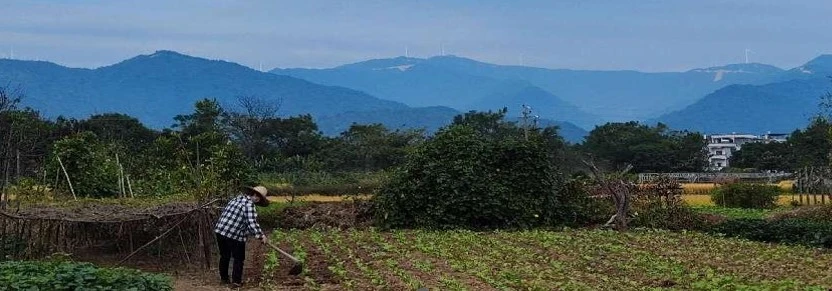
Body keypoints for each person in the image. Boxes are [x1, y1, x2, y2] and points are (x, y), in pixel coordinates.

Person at [214, 185, 270, 288]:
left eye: (259, 197)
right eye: (257, 196)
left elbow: (244, 222)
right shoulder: (249, 205)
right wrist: (261, 236)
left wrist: (255, 234)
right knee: (239, 258)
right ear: (252, 194)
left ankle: (224, 279)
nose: (257, 198)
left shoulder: (237, 198)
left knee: (224, 256)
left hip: (220, 230)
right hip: (233, 234)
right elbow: (251, 222)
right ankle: (236, 282)